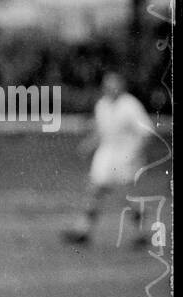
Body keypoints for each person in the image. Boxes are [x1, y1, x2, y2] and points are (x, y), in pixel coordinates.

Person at [61, 71, 157, 248]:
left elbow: (146, 133)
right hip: (106, 154)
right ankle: (83, 230)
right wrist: (87, 145)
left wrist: (134, 155)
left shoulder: (130, 105)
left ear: (122, 85)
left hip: (126, 155)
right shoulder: (102, 104)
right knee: (94, 189)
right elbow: (102, 131)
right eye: (107, 84)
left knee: (126, 196)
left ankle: (141, 233)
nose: (110, 88)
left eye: (114, 84)